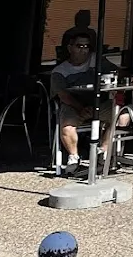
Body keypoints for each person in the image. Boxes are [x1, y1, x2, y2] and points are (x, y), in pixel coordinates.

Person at [50, 29, 127, 177]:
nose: (84, 50)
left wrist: (123, 76)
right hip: (74, 105)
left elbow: (117, 72)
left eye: (87, 47)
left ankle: (102, 152)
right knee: (67, 127)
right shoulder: (59, 71)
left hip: (99, 102)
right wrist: (81, 108)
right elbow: (64, 96)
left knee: (122, 116)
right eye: (80, 46)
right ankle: (73, 157)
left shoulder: (96, 60)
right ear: (70, 48)